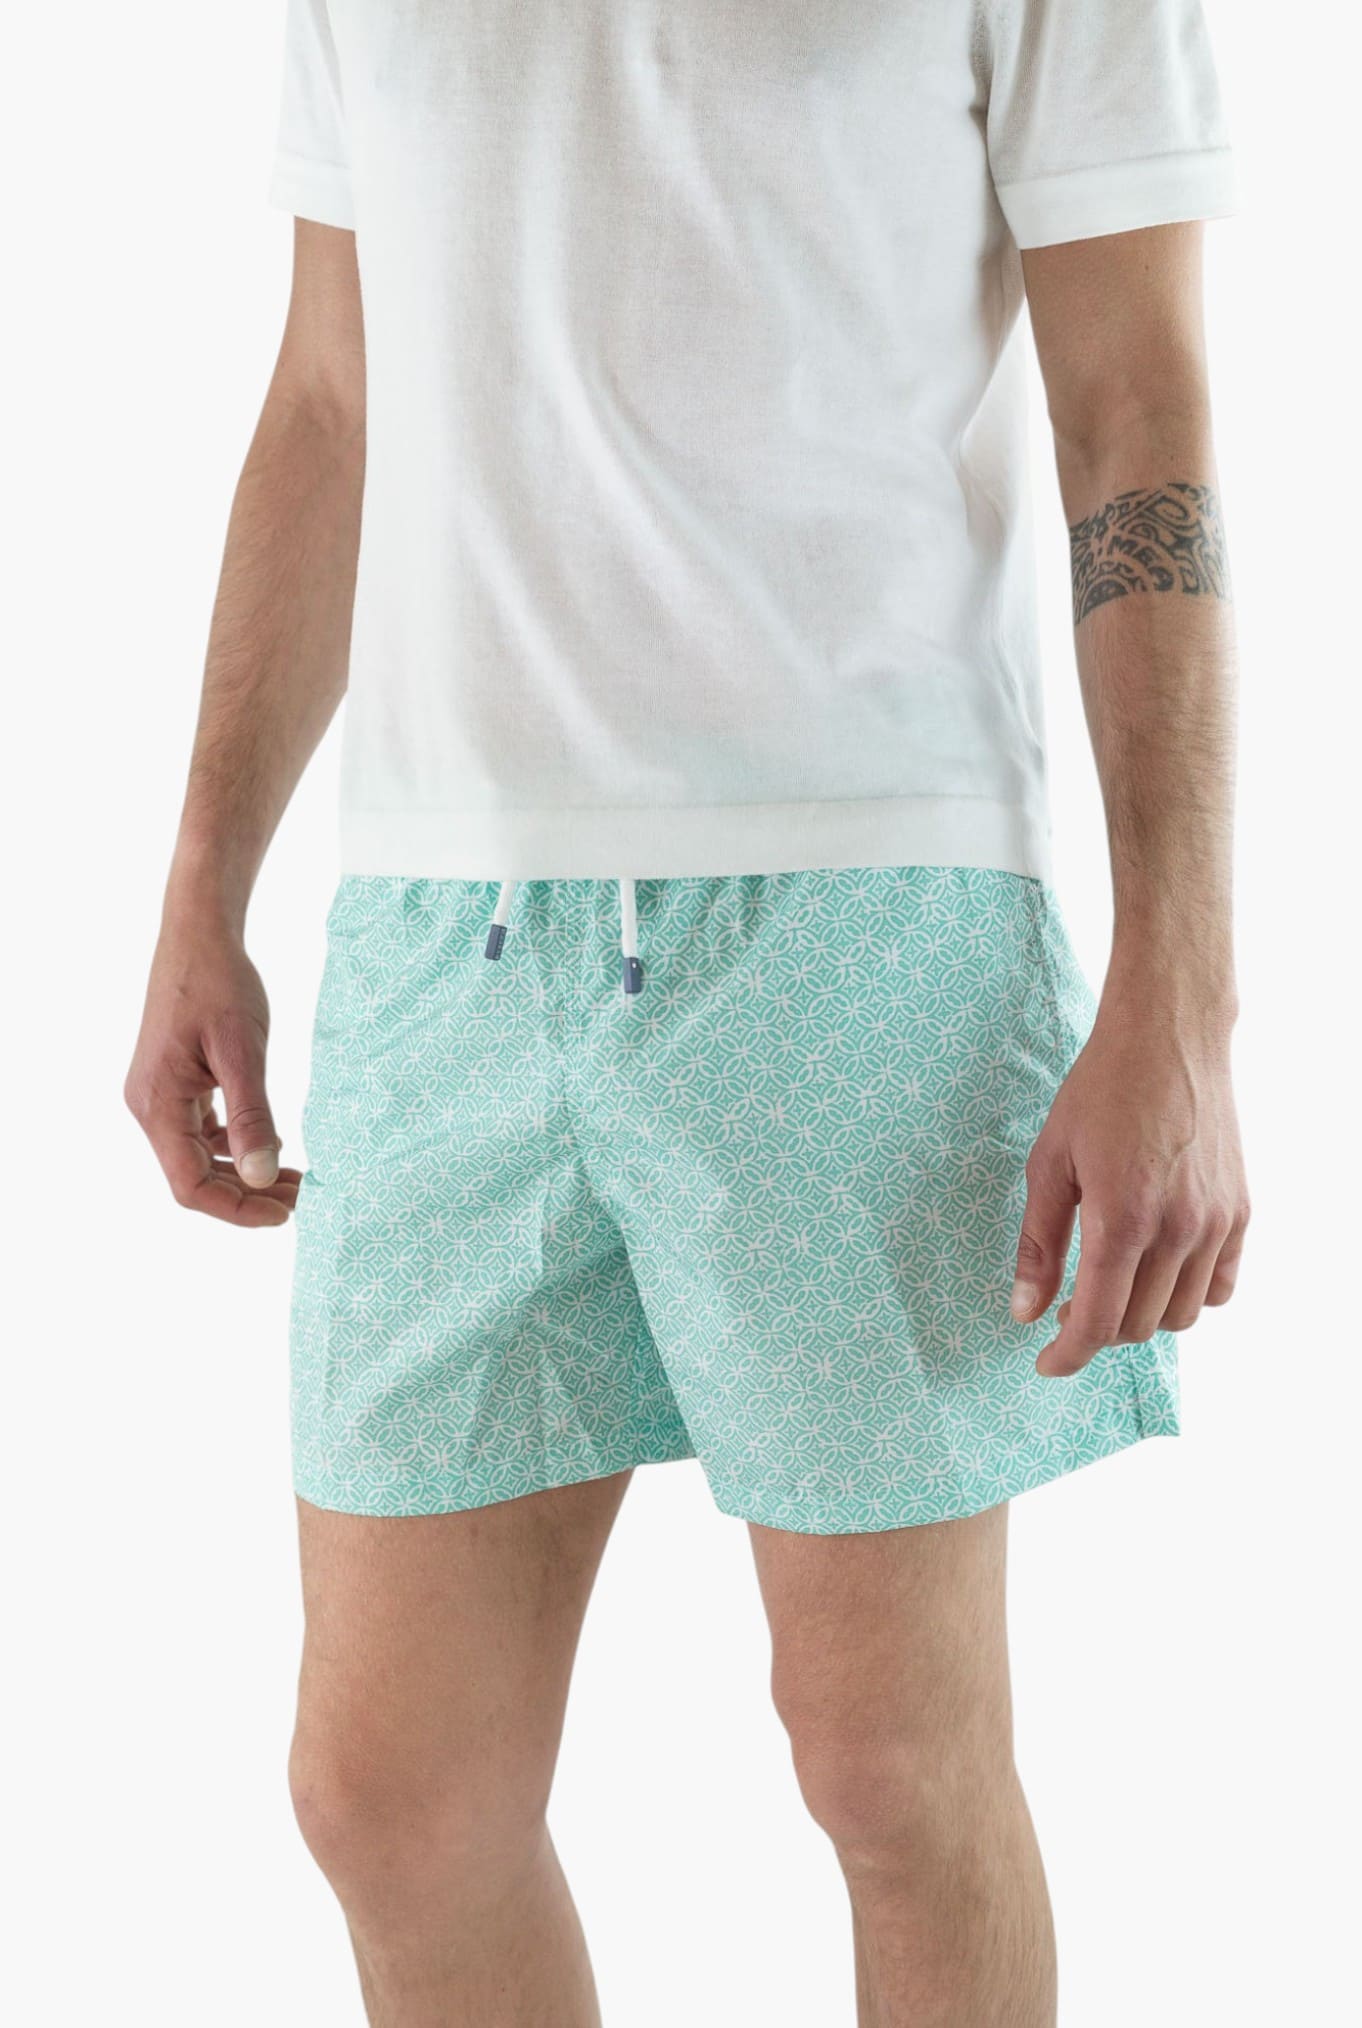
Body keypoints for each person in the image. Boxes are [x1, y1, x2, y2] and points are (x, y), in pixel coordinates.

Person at [126, 2, 1249, 2020]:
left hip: (860, 906)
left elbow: (1133, 405)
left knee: (889, 1769)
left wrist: (1185, 992)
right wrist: (202, 882)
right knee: (389, 1797)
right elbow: (329, 394)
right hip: (441, 930)